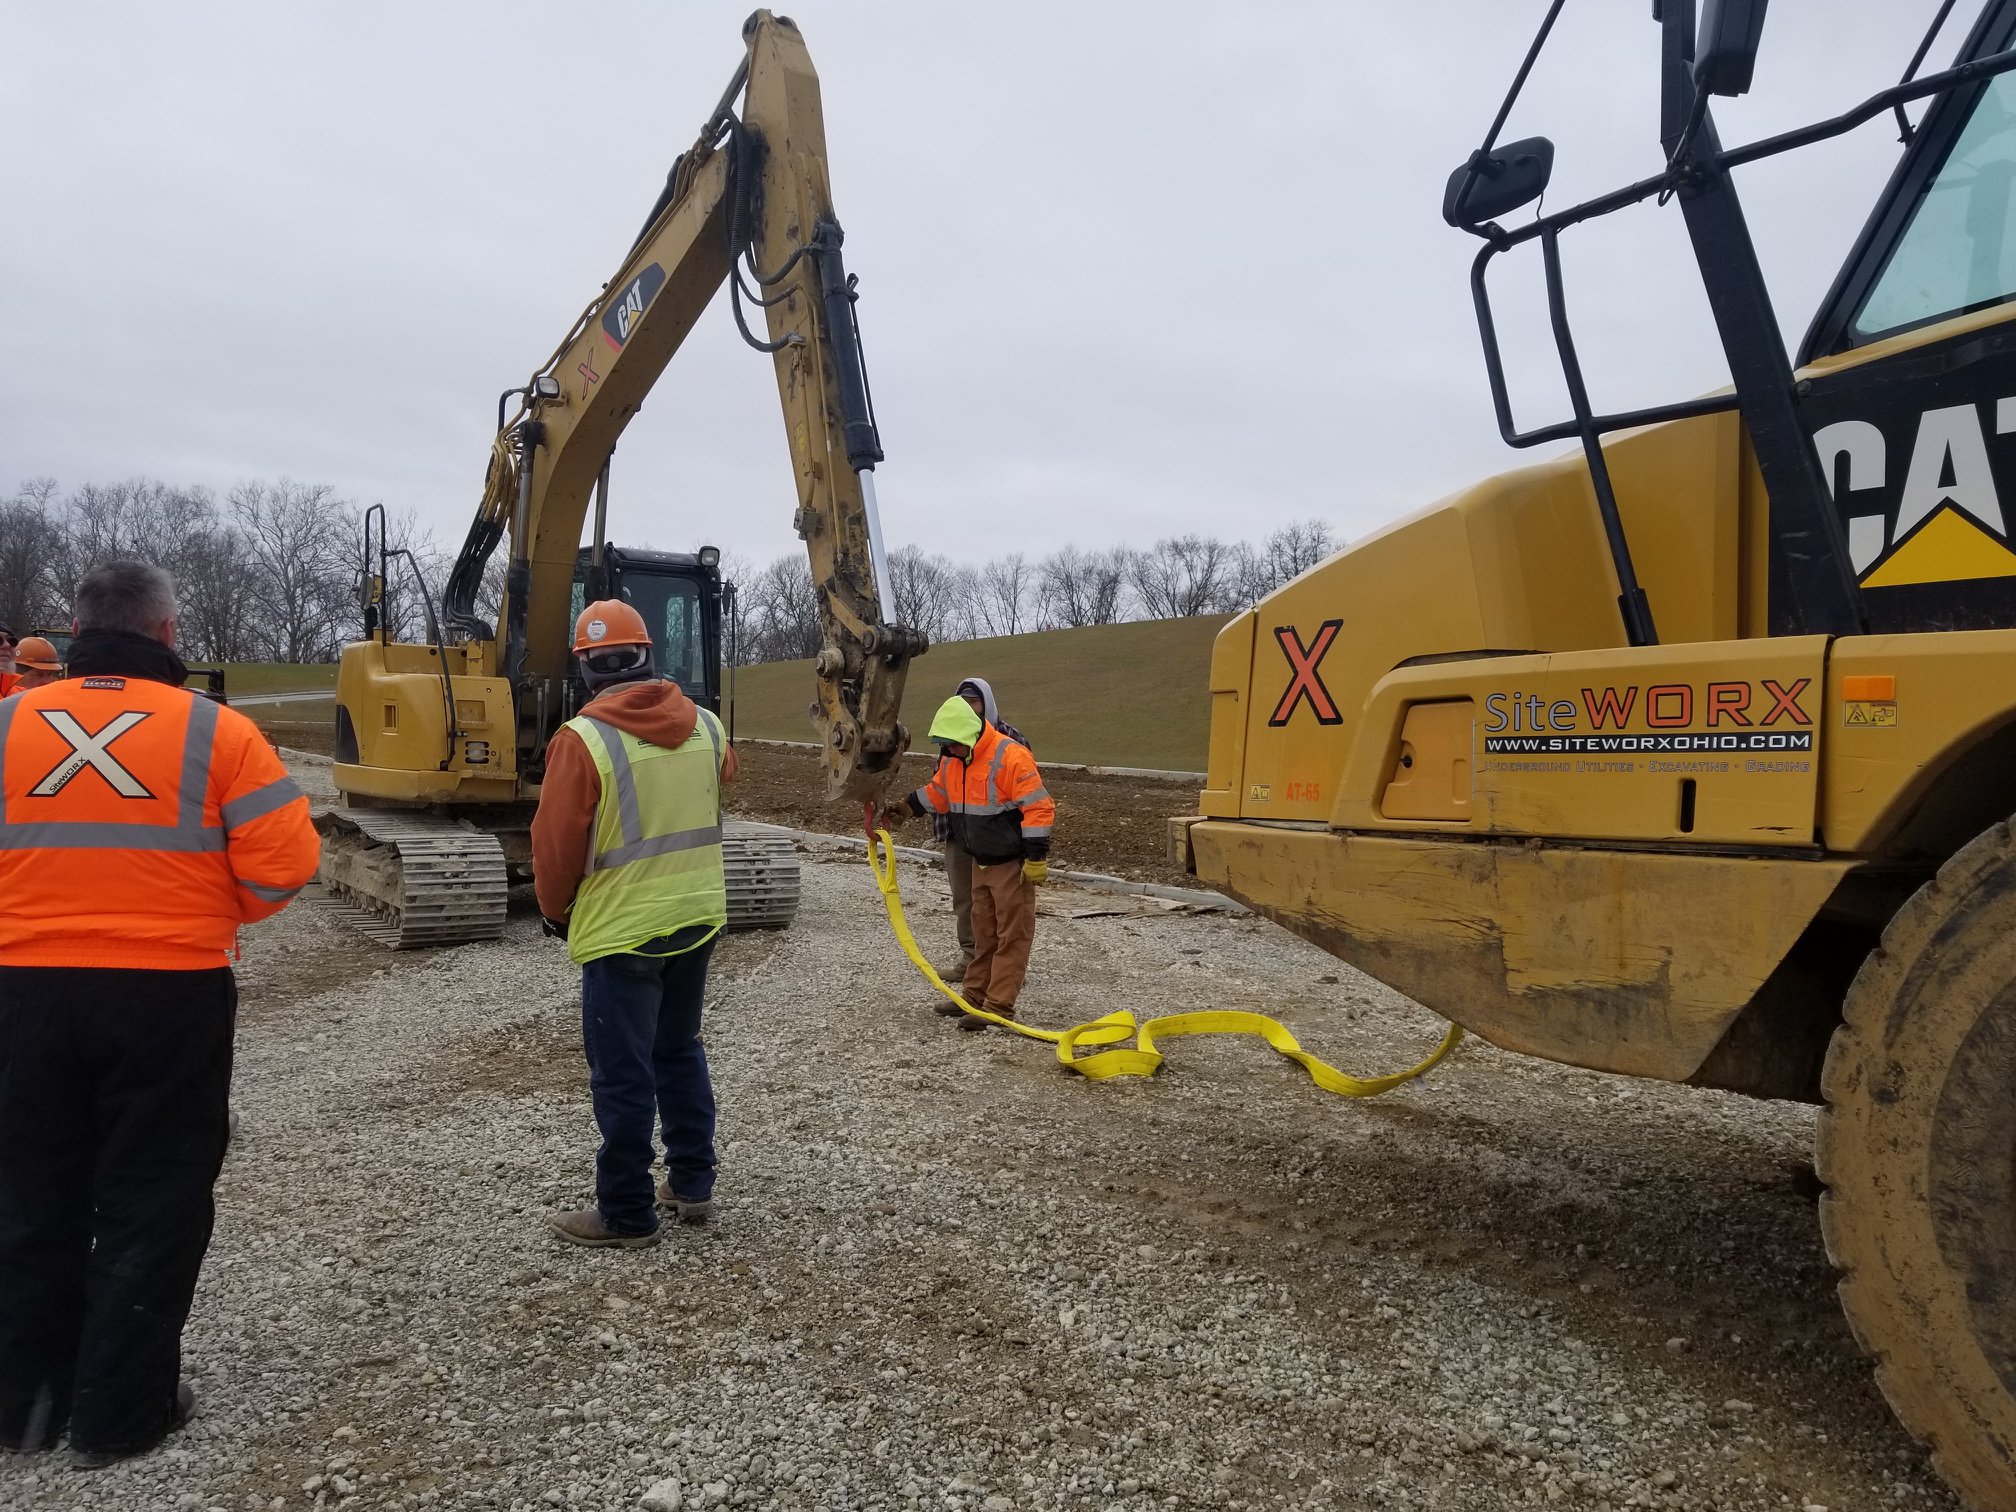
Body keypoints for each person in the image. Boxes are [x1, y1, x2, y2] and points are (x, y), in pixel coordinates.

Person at [0, 560, 318, 1466]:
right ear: (169, 635)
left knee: (28, 1192)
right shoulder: (218, 733)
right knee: (154, 1195)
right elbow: (283, 865)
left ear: (71, 631)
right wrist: (206, 911)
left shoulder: (7, 725)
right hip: (168, 993)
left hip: (22, 990)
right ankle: (119, 1414)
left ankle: (24, 1406)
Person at [532, 599, 737, 1250]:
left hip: (623, 932)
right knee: (678, 1049)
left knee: (623, 1073)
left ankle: (625, 1212)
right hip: (697, 917)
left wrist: (555, 911)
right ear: (649, 654)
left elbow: (556, 845)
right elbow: (721, 777)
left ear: (586, 669)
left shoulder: (581, 741)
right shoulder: (707, 726)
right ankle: (693, 1183)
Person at [882, 695, 1054, 1029]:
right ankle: (972, 998)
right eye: (945, 746)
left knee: (1011, 936)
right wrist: (905, 808)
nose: (950, 751)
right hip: (980, 861)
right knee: (984, 934)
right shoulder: (953, 759)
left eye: (955, 745)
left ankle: (999, 1007)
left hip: (1010, 864)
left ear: (971, 735)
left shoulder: (1010, 756)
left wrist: (1035, 858)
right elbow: (938, 793)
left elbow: (1039, 807)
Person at [929, 678, 1029, 984]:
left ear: (986, 702)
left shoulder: (1010, 741)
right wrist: (908, 807)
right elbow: (942, 786)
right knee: (967, 901)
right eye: (965, 702)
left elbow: (1029, 797)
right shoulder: (952, 739)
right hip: (960, 834)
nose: (970, 707)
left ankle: (1004, 973)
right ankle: (972, 961)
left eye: (975, 701)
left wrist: (1032, 849)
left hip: (1000, 843)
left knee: (1004, 908)